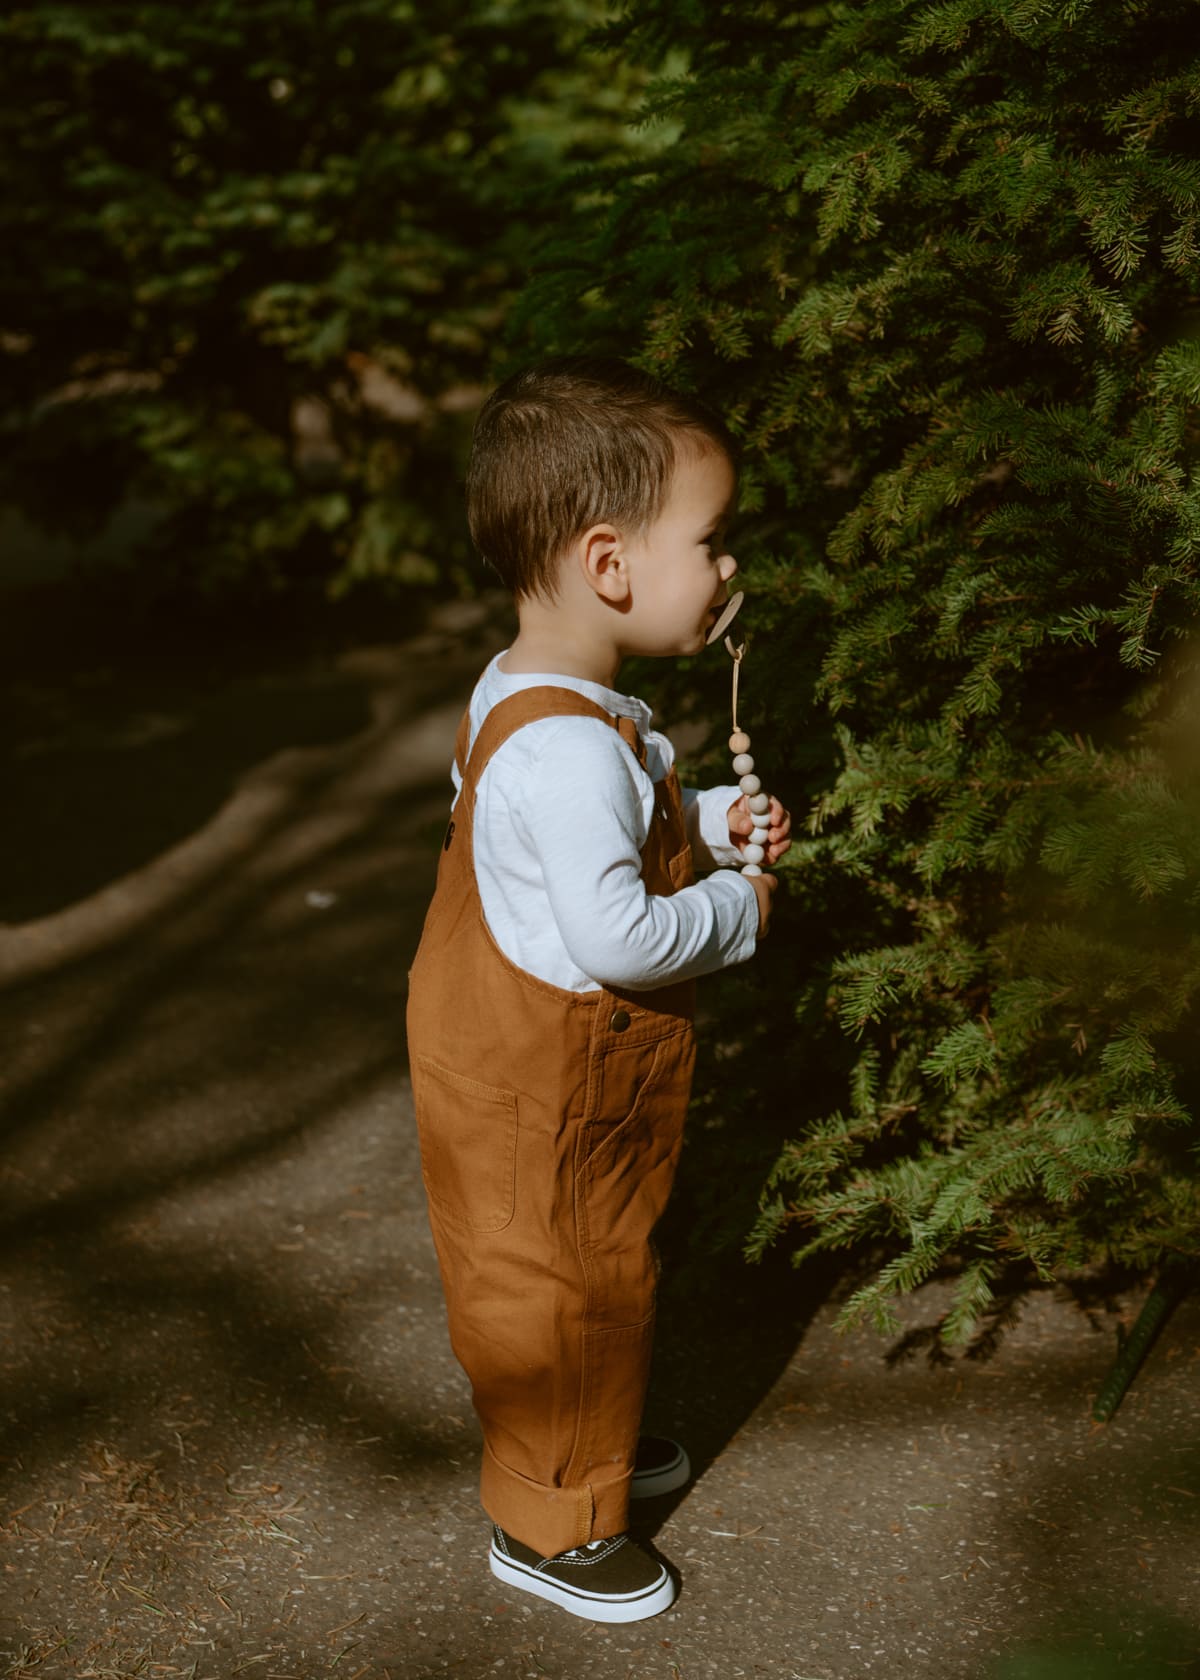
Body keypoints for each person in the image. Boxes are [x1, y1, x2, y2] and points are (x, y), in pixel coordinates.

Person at [405, 356, 791, 1624]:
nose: (728, 569)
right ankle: (553, 1523)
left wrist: (715, 817)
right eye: (713, 543)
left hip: (545, 1069)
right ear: (612, 563)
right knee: (554, 1289)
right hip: (540, 1089)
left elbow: (625, 822)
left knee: (605, 1272)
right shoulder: (573, 747)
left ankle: (592, 1454)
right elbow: (620, 931)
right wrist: (736, 908)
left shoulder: (544, 695)